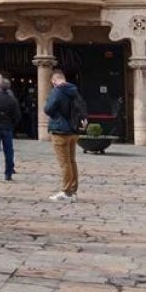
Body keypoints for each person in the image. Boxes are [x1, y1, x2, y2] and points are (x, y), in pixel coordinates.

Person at [44, 69, 82, 203]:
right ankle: (73, 190)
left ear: (54, 80)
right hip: (73, 131)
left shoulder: (57, 91)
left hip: (60, 131)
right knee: (72, 161)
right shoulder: (74, 90)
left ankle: (66, 192)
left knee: (64, 162)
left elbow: (48, 109)